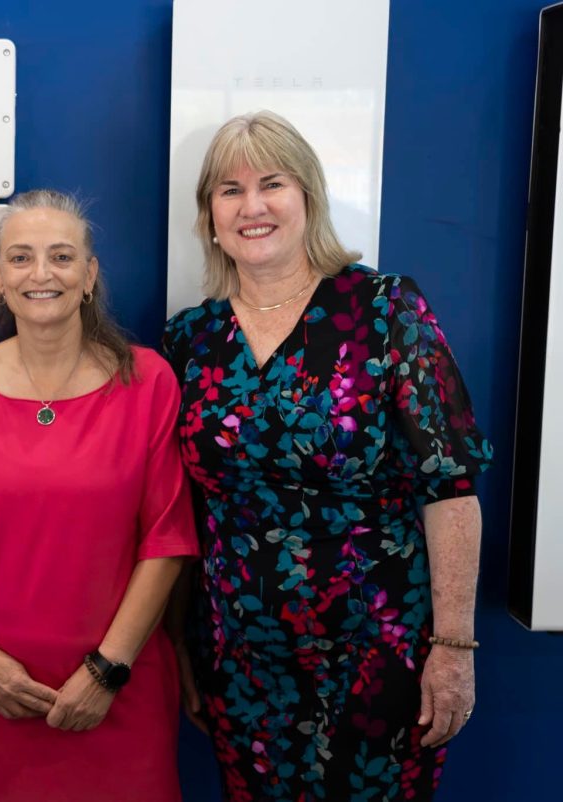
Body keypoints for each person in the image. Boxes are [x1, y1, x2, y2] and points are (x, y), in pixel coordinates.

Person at [162, 111, 492, 801]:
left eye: (271, 183)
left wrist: (453, 649)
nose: (251, 206)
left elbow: (451, 488)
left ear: (307, 195)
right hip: (242, 664)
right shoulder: (190, 340)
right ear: (210, 217)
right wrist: (181, 649)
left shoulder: (384, 311)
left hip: (378, 657)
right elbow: (180, 512)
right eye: (228, 190)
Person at [0, 189, 199, 802]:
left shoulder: (146, 381)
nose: (41, 273)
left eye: (62, 256)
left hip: (121, 686)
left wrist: (106, 671)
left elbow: (168, 539)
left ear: (89, 276)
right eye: (21, 257)